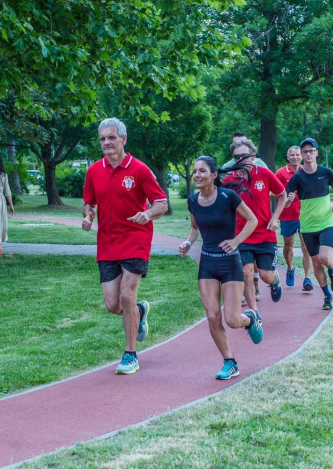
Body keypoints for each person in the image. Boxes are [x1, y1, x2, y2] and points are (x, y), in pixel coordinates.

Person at [82, 117, 168, 375]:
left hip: (135, 240)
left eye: (111, 137)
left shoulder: (139, 169)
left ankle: (130, 354)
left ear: (123, 139)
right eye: (102, 139)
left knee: (126, 296)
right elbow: (89, 202)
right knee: (113, 305)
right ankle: (139, 312)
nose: (106, 142)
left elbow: (161, 203)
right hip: (107, 243)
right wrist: (88, 216)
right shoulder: (94, 171)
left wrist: (148, 214)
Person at [179, 156, 263, 380]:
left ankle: (250, 319)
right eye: (195, 171)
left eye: (202, 171)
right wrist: (188, 242)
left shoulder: (228, 197)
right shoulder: (193, 201)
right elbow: (195, 228)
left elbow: (252, 220)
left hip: (230, 263)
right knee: (213, 316)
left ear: (214, 175)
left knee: (233, 320)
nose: (197, 175)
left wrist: (236, 241)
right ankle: (230, 362)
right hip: (207, 262)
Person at [224, 138, 287, 316]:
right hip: (242, 235)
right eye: (236, 157)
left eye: (244, 156)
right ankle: (254, 313)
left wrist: (275, 218)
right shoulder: (230, 180)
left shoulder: (265, 174)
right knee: (246, 272)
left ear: (253, 155)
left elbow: (282, 195)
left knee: (266, 274)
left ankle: (275, 281)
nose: (240, 160)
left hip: (265, 234)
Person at [284, 138, 333, 311]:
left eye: (311, 151)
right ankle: (327, 295)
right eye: (305, 152)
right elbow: (285, 202)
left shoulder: (326, 172)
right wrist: (289, 200)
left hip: (326, 222)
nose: (308, 154)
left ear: (316, 153)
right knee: (316, 264)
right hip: (308, 227)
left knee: (325, 258)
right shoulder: (297, 178)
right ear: (302, 156)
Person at [222, 133, 264, 300]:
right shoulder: (228, 167)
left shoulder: (260, 164)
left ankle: (255, 283)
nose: (240, 156)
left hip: (258, 219)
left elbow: (268, 187)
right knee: (241, 258)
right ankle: (245, 290)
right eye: (235, 146)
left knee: (255, 262)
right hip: (237, 219)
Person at [275, 146, 314, 290]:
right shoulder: (280, 173)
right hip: (287, 215)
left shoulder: (307, 171)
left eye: (298, 155)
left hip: (305, 215)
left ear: (302, 156)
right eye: (292, 155)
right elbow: (273, 193)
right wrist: (286, 197)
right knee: (288, 246)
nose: (295, 157)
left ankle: (307, 278)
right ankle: (290, 268)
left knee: (306, 247)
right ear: (288, 157)